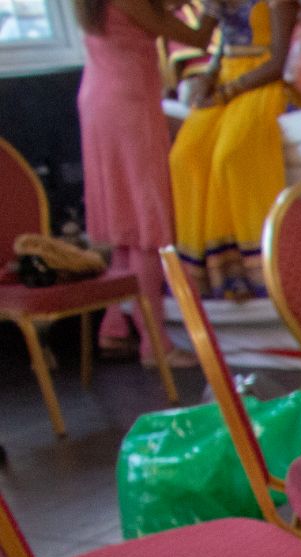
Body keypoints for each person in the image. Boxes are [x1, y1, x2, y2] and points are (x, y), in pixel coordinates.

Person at [73, 0, 212, 366]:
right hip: (128, 104)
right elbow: (196, 35)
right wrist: (214, 8)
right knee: (147, 225)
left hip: (99, 99)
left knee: (123, 220)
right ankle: (156, 345)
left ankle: (114, 325)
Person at [169, 0, 300, 299]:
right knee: (184, 156)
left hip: (264, 82)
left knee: (232, 155)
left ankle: (258, 268)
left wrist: (229, 90)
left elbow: (279, 61)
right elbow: (222, 48)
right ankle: (213, 273)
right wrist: (208, 78)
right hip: (228, 79)